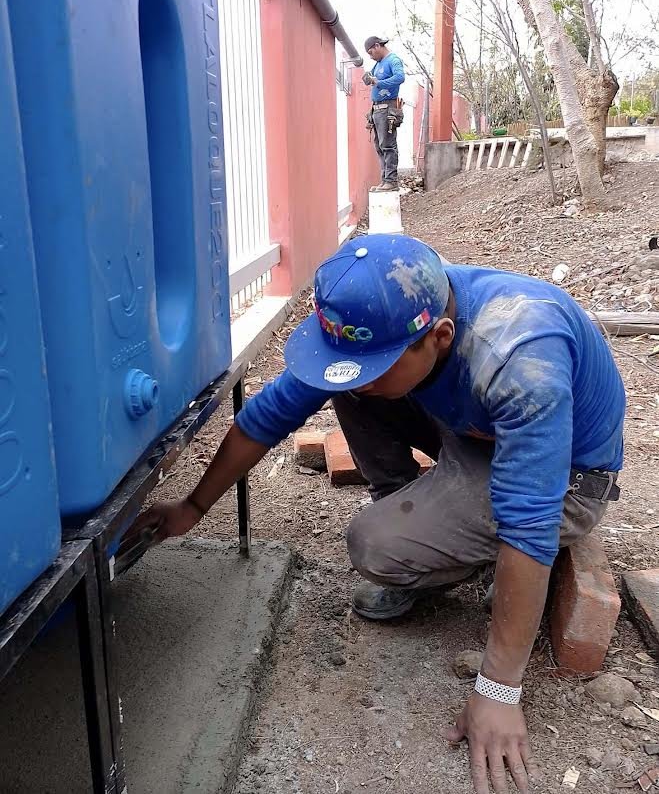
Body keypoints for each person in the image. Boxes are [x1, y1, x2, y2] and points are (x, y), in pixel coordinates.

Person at [129, 234, 624, 794]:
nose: (359, 373)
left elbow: (530, 521)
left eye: (377, 364)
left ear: (439, 338)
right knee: (347, 385)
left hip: (569, 479)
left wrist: (498, 690)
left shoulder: (519, 357)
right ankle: (427, 517)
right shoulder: (388, 308)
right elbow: (267, 415)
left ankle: (444, 555)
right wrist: (194, 506)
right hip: (476, 432)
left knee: (374, 545)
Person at [363, 36, 405, 192]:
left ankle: (391, 181)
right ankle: (385, 180)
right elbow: (373, 81)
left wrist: (378, 82)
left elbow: (400, 77)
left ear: (377, 46)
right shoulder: (378, 64)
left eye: (370, 52)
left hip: (387, 108)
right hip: (378, 109)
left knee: (388, 145)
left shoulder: (393, 60)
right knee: (380, 147)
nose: (370, 56)